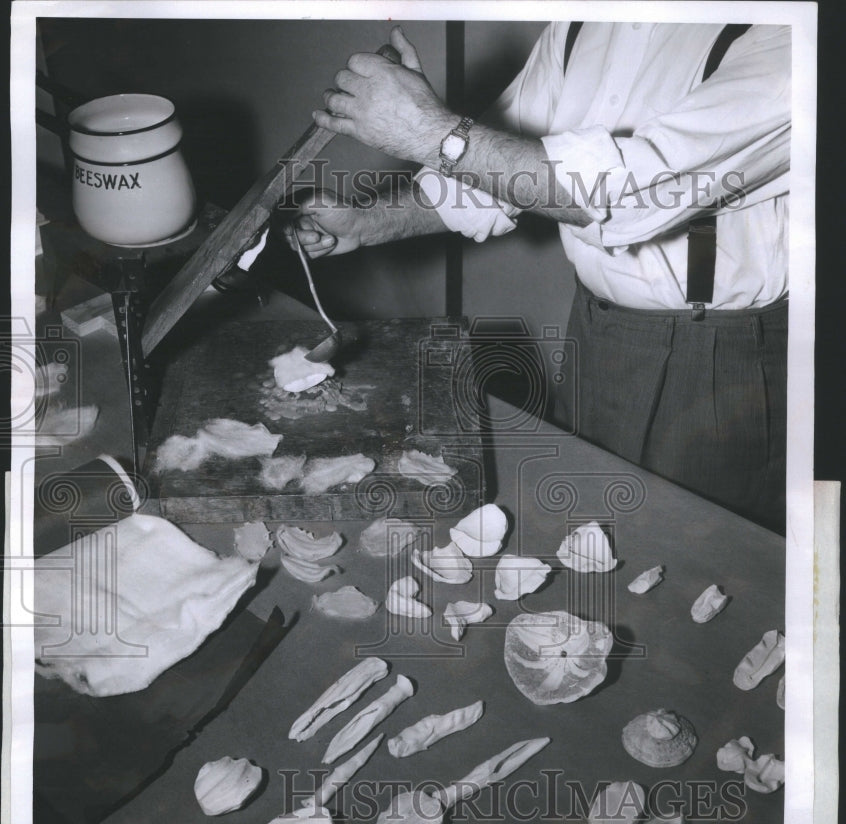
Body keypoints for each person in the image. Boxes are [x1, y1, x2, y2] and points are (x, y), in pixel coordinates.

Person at [289, 23, 790, 532]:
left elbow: (630, 198)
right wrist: (371, 222)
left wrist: (428, 131)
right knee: (589, 532)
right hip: (594, 330)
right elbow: (495, 174)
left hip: (717, 358)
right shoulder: (581, 24)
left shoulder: (785, 35)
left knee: (694, 556)